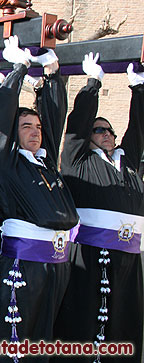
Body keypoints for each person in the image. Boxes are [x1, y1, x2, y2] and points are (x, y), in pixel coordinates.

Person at [0, 37, 78, 362]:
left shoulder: (45, 162)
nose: (35, 131)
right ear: (13, 131)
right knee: (13, 344)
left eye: (36, 126)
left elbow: (54, 120)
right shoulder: (5, 164)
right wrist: (19, 68)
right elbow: (2, 119)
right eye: (26, 126)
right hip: (24, 268)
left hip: (56, 267)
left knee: (41, 342)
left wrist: (52, 76)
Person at [54, 54, 144, 362]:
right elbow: (77, 127)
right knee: (88, 319)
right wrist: (93, 84)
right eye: (99, 131)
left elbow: (139, 130)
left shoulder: (128, 163)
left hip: (128, 259)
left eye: (110, 131)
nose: (107, 134)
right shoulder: (78, 161)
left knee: (123, 319)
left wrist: (138, 87)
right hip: (92, 256)